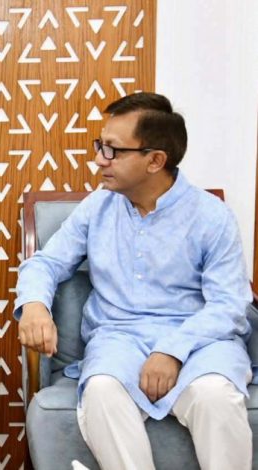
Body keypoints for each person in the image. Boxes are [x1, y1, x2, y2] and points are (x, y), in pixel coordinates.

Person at [15, 92, 253, 470]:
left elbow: (230, 304)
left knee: (215, 397)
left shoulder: (212, 216)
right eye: (100, 146)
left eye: (112, 150)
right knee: (102, 390)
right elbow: (46, 262)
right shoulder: (98, 207)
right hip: (119, 340)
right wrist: (34, 305)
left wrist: (172, 350)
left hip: (199, 343)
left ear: (155, 160)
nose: (99, 159)